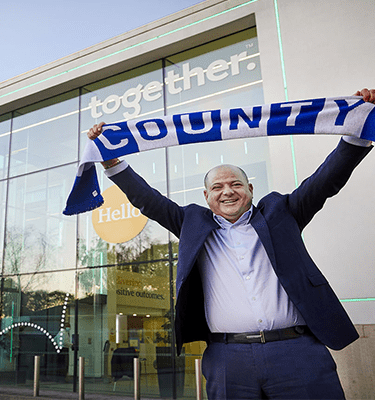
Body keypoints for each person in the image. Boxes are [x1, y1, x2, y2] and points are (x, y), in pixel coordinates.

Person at [87, 88, 375, 400]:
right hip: (227, 358)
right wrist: (111, 161)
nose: (228, 192)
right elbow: (148, 200)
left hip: (297, 352)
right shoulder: (190, 223)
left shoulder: (283, 212)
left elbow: (325, 180)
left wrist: (357, 129)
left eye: (236, 184)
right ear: (206, 196)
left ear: (250, 189)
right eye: (218, 187)